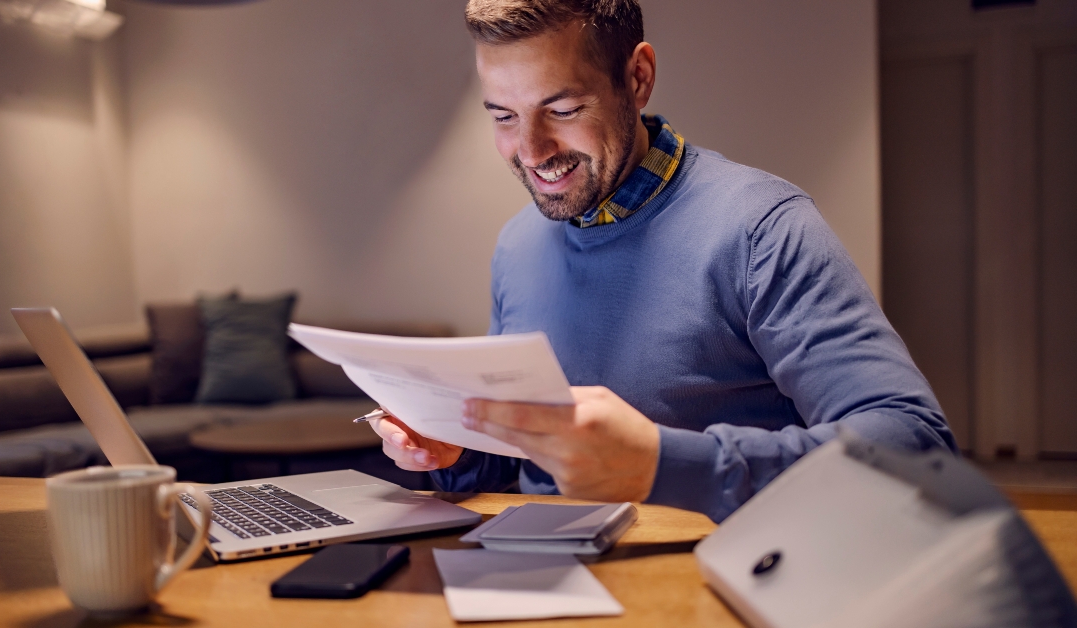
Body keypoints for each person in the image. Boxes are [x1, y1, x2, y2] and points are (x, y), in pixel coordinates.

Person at [370, 0, 956, 523]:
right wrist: (452, 447)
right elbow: (514, 464)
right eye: (503, 116)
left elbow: (915, 446)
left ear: (638, 77)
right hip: (537, 584)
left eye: (564, 108)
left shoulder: (762, 227)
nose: (531, 151)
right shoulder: (517, 244)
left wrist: (660, 463)